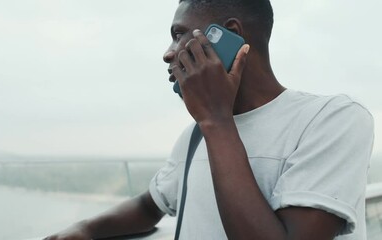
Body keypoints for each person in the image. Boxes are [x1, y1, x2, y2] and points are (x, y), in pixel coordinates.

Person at [45, 0, 374, 239]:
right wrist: (84, 229)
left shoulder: (332, 119)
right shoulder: (196, 134)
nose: (168, 53)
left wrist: (216, 120)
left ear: (229, 35)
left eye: (179, 34)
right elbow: (150, 205)